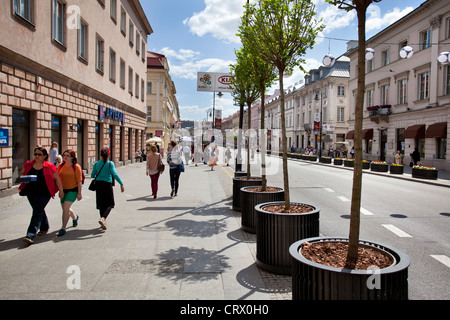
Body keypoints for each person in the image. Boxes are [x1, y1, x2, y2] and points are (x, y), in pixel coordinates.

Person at [19, 147, 64, 244]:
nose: (37, 156)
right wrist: (24, 179)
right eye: (35, 154)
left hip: (45, 193)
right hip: (31, 192)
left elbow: (57, 179)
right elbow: (22, 174)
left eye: (39, 154)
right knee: (38, 209)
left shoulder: (50, 166)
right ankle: (44, 227)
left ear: (44, 156)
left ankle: (30, 235)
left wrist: (61, 191)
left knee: (37, 210)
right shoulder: (28, 165)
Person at [91, 147, 125, 230]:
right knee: (110, 204)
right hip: (107, 185)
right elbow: (115, 174)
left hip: (98, 185)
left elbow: (92, 175)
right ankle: (103, 218)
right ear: (108, 155)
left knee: (101, 204)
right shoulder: (110, 164)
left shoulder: (96, 164)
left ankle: (103, 220)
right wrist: (121, 184)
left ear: (100, 155)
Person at [56, 149, 82, 237]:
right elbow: (57, 178)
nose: (65, 157)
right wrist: (60, 190)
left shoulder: (76, 167)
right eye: (64, 155)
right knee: (65, 208)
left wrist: (79, 193)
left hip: (73, 190)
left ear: (72, 157)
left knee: (66, 207)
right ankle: (75, 218)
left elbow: (79, 181)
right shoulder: (60, 165)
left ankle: (63, 228)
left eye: (67, 155)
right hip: (63, 190)